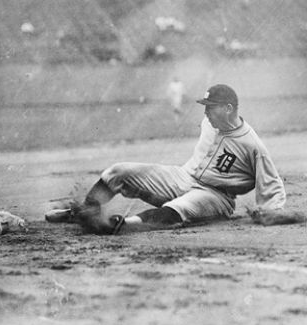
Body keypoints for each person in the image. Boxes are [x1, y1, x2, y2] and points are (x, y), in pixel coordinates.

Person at [46, 84, 286, 234]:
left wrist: (272, 211)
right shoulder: (209, 122)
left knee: (179, 208)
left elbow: (272, 184)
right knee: (119, 171)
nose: (205, 112)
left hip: (216, 196)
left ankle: (120, 225)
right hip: (182, 177)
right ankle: (84, 211)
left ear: (228, 109)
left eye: (211, 107)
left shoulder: (252, 146)